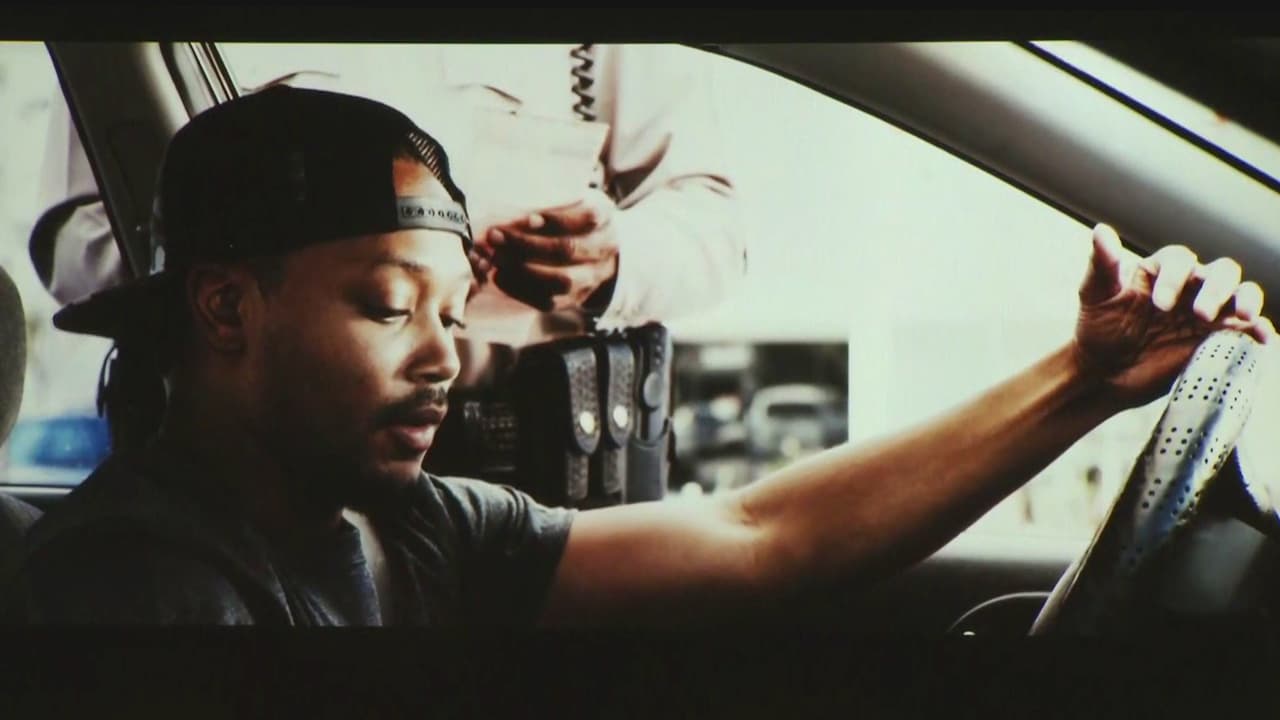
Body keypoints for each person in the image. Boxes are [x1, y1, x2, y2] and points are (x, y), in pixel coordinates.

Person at [6, 87, 1273, 626]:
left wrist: (1081, 381)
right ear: (225, 309)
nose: (446, 357)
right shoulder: (141, 589)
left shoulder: (409, 525)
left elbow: (755, 537)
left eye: (453, 310)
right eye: (390, 308)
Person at [32, 43, 743, 504]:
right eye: (387, 306)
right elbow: (78, 232)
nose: (437, 352)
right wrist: (268, 253)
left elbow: (715, 231)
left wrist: (614, 259)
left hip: (543, 459)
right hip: (275, 471)